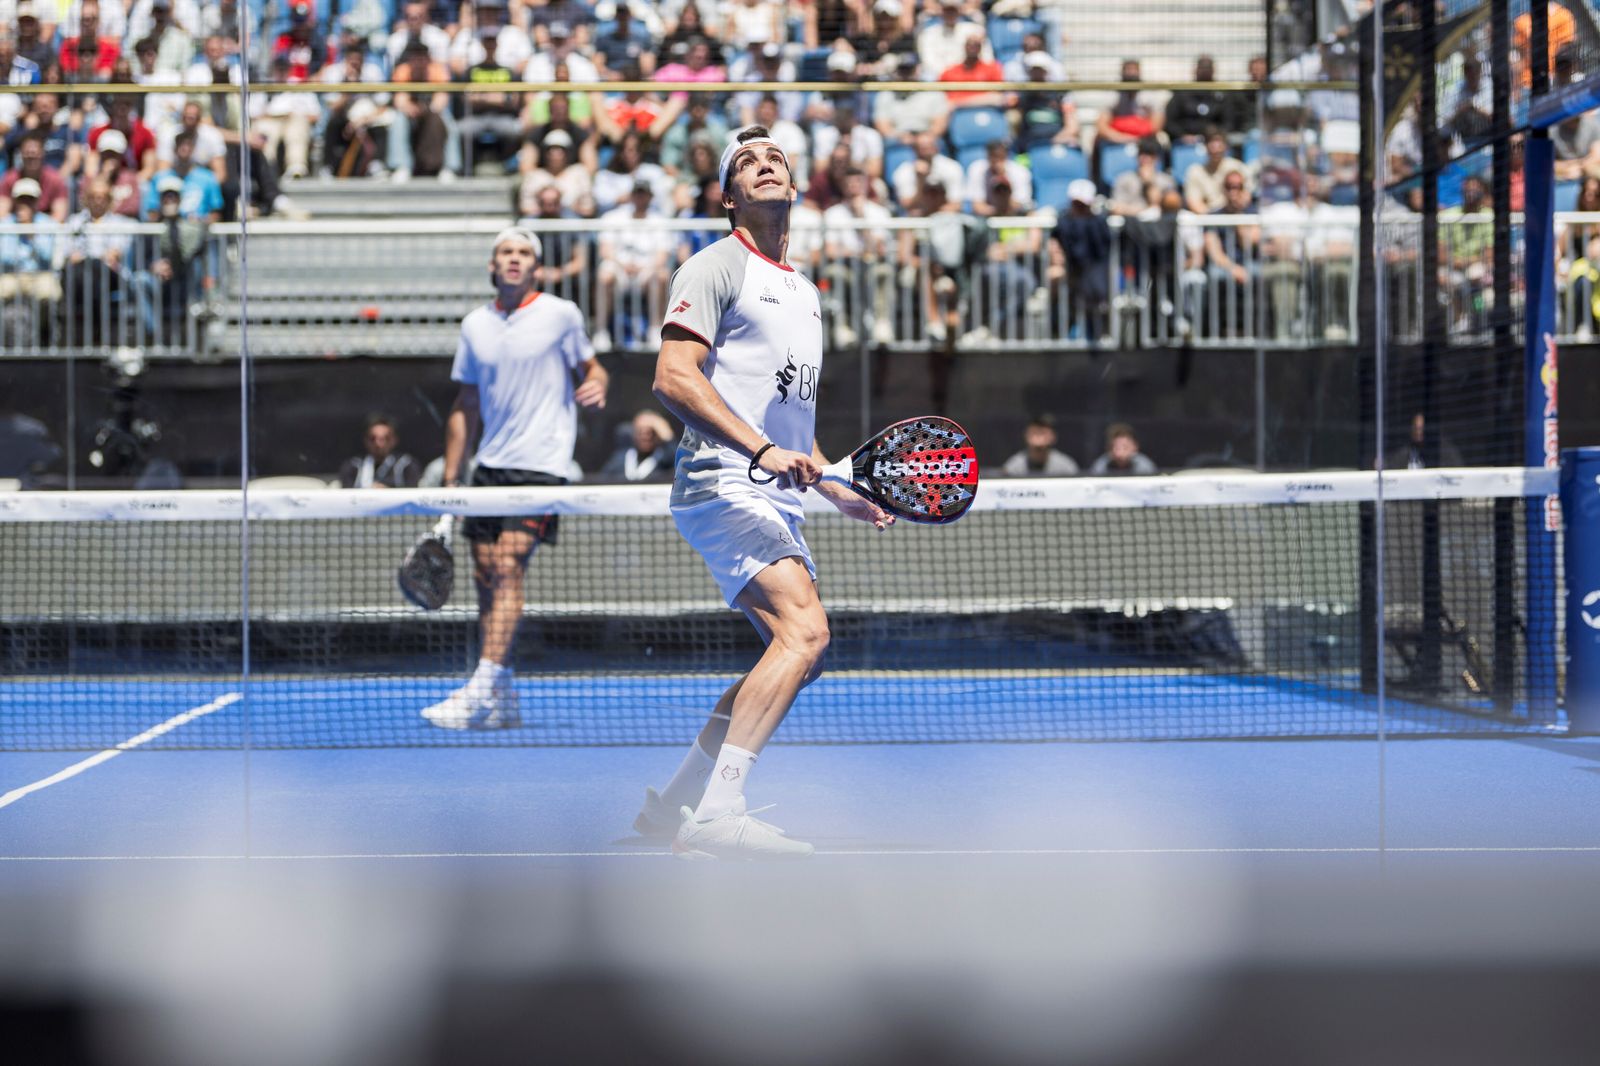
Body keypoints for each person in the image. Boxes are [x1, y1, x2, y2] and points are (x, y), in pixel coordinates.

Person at [644, 125, 893, 860]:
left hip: (770, 491)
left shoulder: (806, 292)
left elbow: (787, 422)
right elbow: (674, 378)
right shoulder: (715, 266)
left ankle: (678, 802)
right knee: (806, 633)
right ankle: (719, 811)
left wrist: (837, 485)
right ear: (728, 197)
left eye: (775, 158)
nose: (764, 165)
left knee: (796, 655)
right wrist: (759, 451)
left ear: (794, 186)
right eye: (746, 162)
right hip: (720, 482)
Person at [422, 226, 610, 730]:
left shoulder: (560, 315)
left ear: (536, 267)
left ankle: (478, 688)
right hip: (488, 468)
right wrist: (452, 475)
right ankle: (503, 694)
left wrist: (595, 384)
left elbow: (594, 370)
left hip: (542, 465)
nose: (514, 259)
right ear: (492, 265)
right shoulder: (474, 326)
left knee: (506, 568)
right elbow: (465, 405)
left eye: (524, 252)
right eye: (506, 251)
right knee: (486, 577)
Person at [339, 413, 422, 488]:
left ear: (394, 440)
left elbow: (412, 496)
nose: (378, 444)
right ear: (365, 441)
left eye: (385, 439)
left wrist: (385, 493)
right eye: (373, 439)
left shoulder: (406, 465)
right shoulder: (353, 466)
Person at [600, 409, 675, 482]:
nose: (645, 437)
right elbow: (602, 480)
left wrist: (667, 436)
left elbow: (679, 463)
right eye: (640, 431)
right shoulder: (620, 459)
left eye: (651, 432)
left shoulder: (665, 459)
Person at [1001, 415, 1078, 477]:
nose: (1038, 435)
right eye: (1034, 431)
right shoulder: (1015, 466)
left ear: (1053, 437)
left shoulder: (1065, 466)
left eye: (1043, 432)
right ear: (1026, 435)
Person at [1090, 423, 1157, 476]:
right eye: (1115, 447)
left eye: (1125, 447)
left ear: (1134, 447)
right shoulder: (1101, 466)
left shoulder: (1145, 466)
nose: (1119, 453)